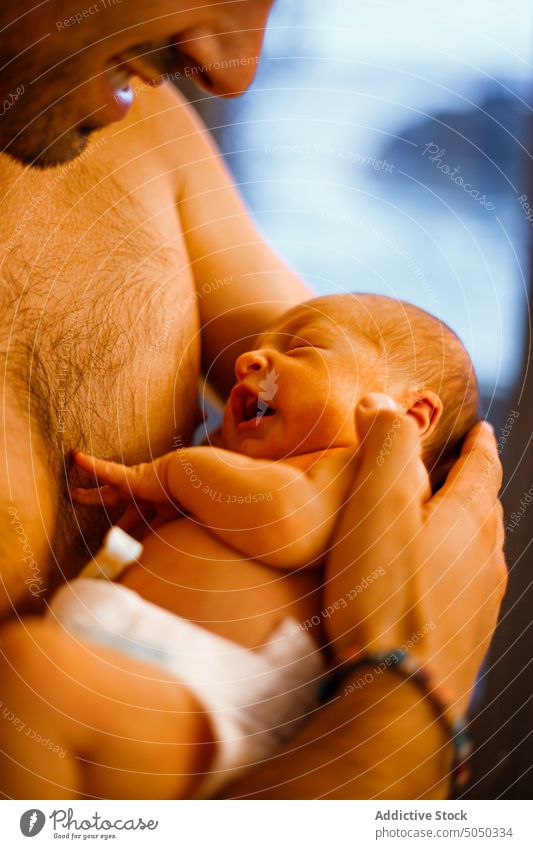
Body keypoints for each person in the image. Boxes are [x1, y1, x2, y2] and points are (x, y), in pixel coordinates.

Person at [0, 0, 506, 799]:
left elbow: (387, 395)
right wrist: (396, 717)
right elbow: (419, 629)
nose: (232, 72)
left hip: (194, 694)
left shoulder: (140, 136)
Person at [41, 292, 481, 798]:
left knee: (33, 677)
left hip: (209, 690)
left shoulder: (363, 467)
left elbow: (289, 523)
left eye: (300, 348)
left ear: (412, 413)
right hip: (130, 659)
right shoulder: (240, 469)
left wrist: (170, 472)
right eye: (257, 350)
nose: (246, 361)